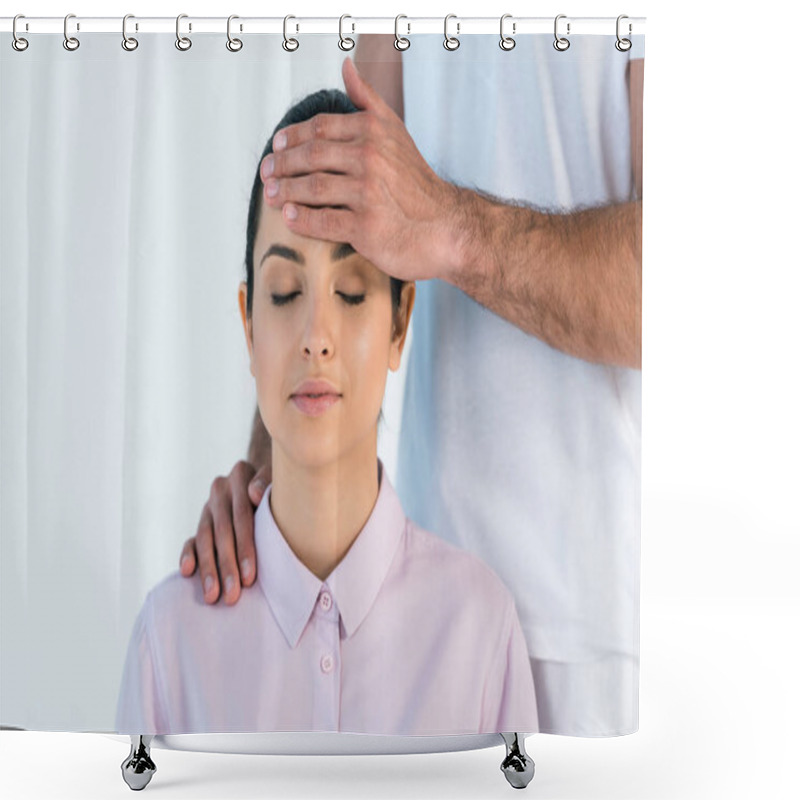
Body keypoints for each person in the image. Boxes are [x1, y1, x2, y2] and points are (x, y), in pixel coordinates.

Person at [180, 35, 643, 736]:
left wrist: (451, 227)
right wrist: (265, 489)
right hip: (412, 608)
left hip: (603, 628)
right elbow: (345, 212)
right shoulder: (169, 634)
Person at [116, 89, 538, 736]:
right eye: (284, 293)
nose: (316, 333)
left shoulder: (479, 629)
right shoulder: (171, 641)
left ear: (400, 323)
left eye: (349, 291)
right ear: (248, 326)